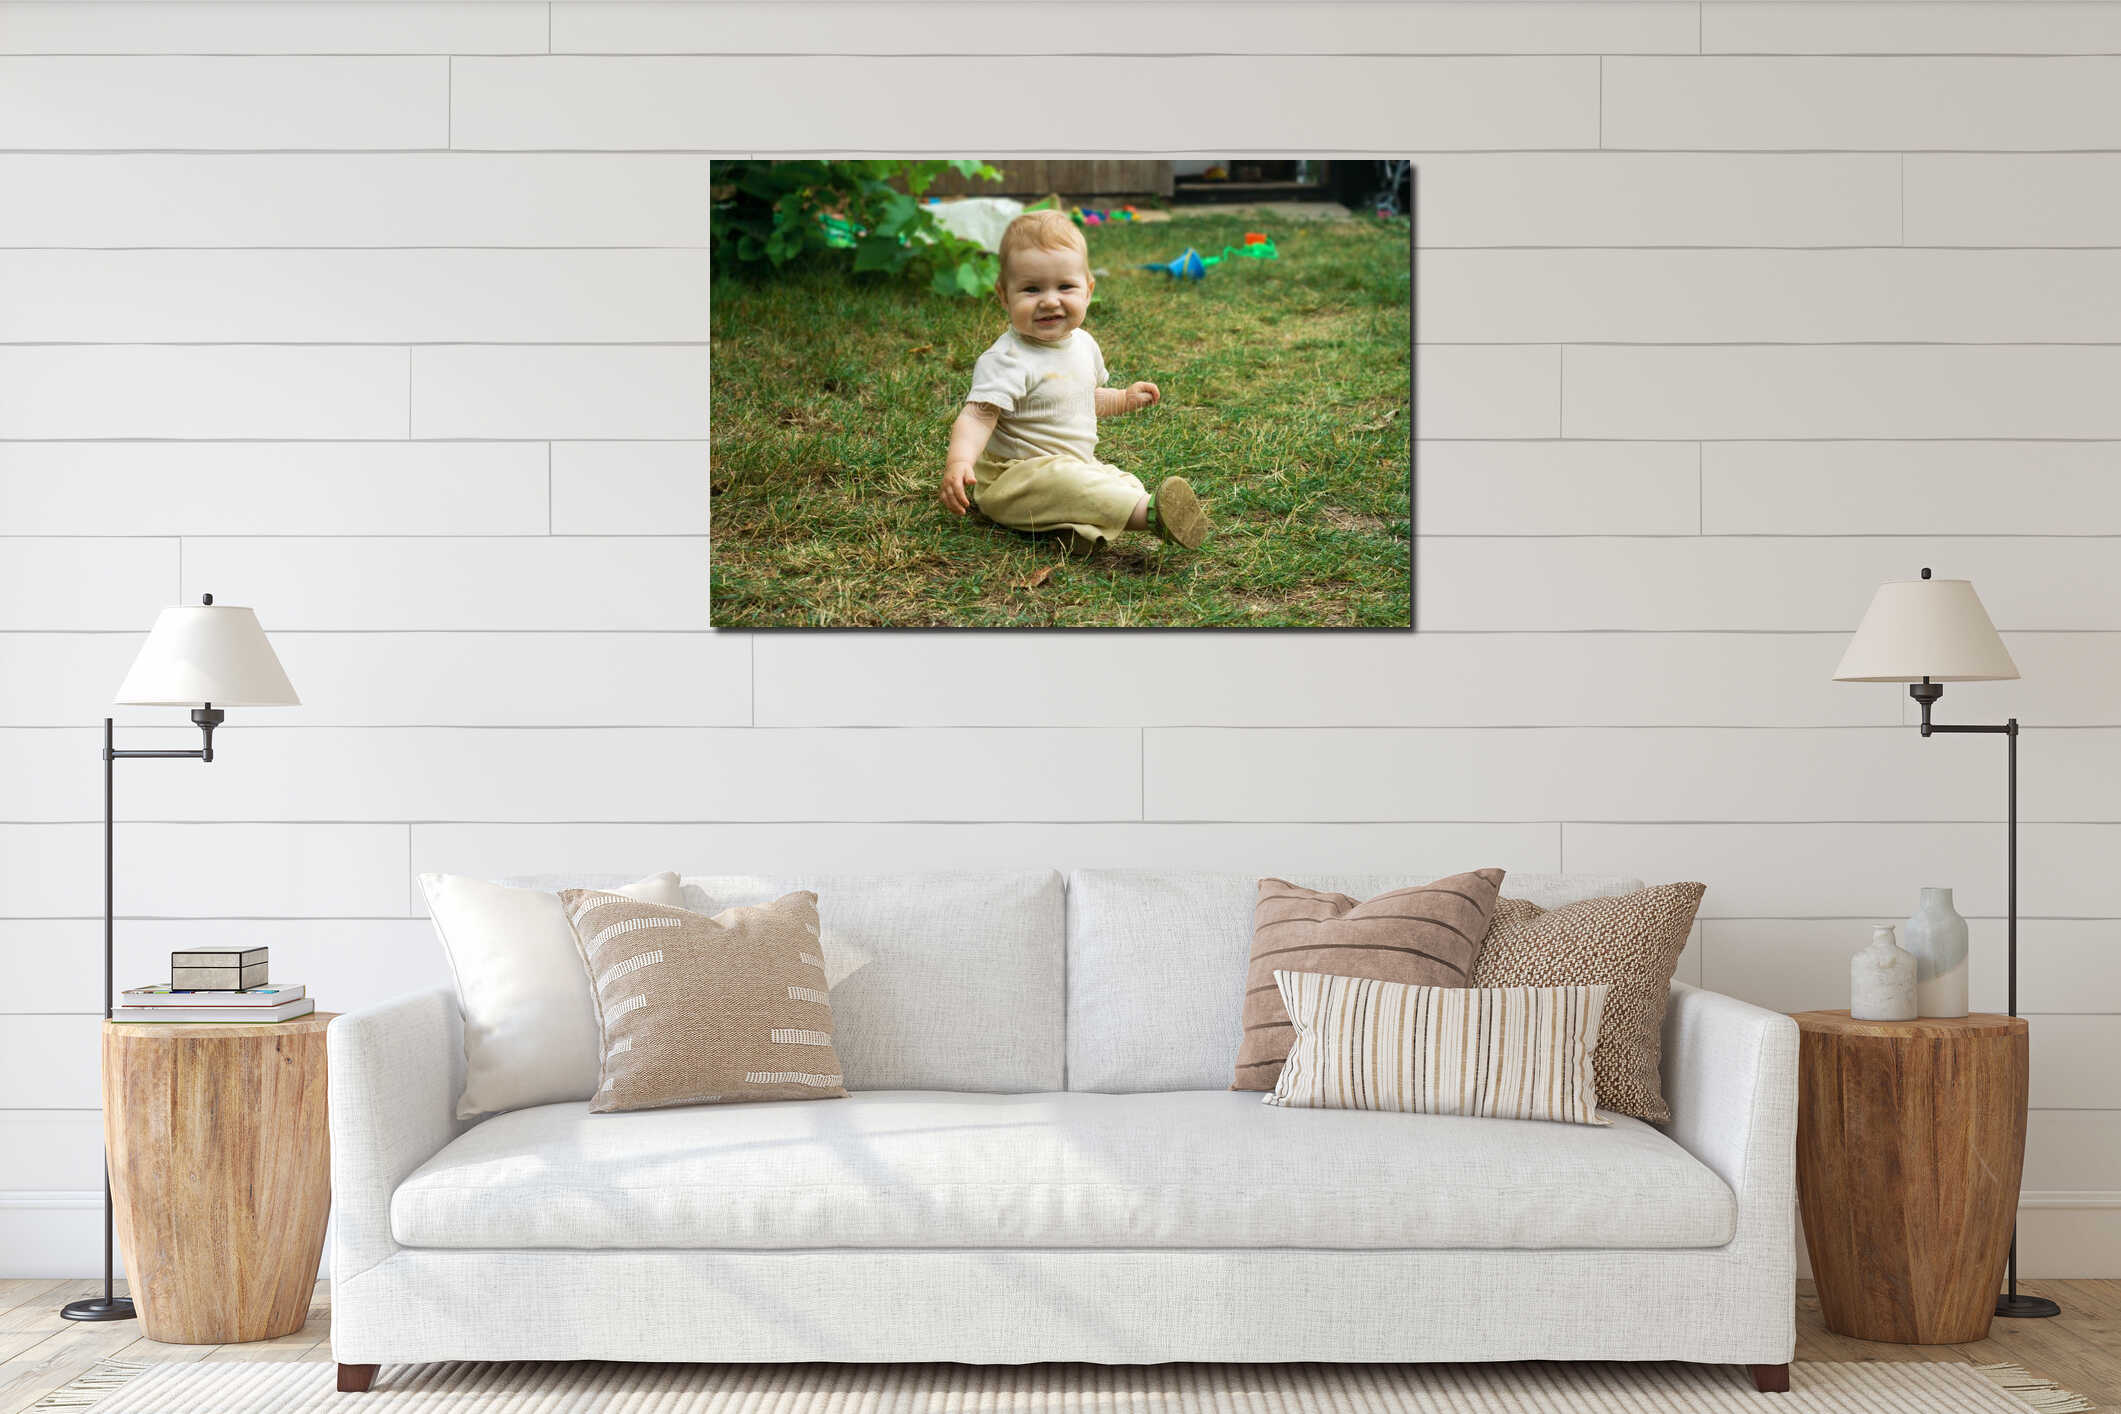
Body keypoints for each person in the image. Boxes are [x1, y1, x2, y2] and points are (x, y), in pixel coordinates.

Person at [939, 209, 1208, 554]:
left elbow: (1085, 399)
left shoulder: (1083, 344)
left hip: (1074, 466)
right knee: (1071, 485)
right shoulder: (1008, 359)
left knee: (1119, 481)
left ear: (1088, 290)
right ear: (1005, 296)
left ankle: (1074, 532)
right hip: (1015, 478)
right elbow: (978, 416)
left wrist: (1124, 398)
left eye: (1065, 286)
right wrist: (959, 462)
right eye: (1031, 289)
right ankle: (1154, 516)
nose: (1050, 300)